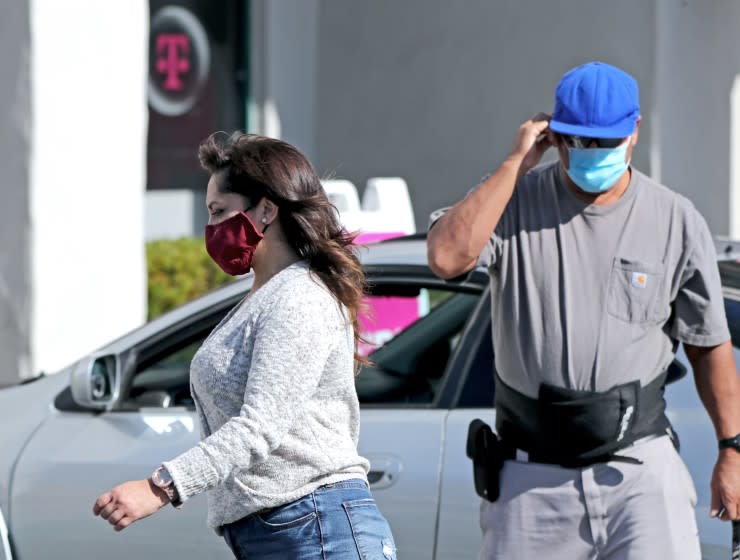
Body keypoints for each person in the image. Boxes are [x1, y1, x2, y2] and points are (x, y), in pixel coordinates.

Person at [427, 61, 740, 559]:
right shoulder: (513, 202)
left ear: (634, 132)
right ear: (552, 133)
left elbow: (709, 345)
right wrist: (514, 165)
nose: (591, 154)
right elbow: (446, 259)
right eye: (579, 141)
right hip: (531, 476)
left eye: (605, 143)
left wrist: (733, 450)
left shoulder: (674, 218)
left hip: (639, 473)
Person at [93, 132, 397, 560]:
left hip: (316, 529)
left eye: (219, 211)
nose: (212, 229)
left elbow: (258, 428)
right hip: (286, 532)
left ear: (267, 209)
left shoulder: (299, 297)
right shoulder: (263, 297)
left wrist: (160, 488)